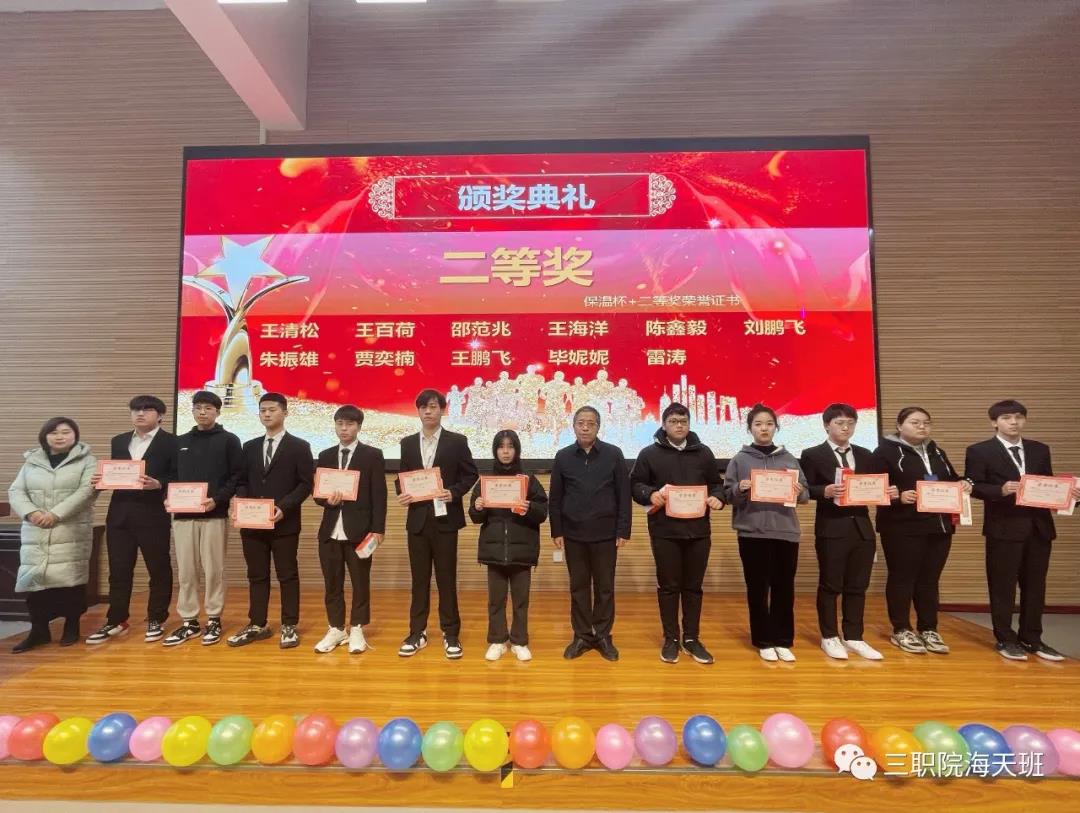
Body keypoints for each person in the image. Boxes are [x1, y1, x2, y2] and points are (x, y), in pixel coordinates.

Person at [964, 399, 1076, 661]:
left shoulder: (1039, 449)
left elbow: (1048, 484)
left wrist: (1071, 495)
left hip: (1039, 528)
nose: (1013, 422)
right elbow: (974, 486)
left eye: (1018, 417)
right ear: (994, 422)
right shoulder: (979, 451)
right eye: (1006, 418)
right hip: (1003, 528)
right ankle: (1005, 638)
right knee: (1002, 586)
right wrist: (1000, 490)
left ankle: (1032, 638)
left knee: (1035, 587)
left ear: (1024, 420)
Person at [630, 402, 724, 665]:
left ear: (689, 424)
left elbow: (716, 484)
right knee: (669, 587)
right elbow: (635, 484)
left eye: (683, 421)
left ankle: (691, 638)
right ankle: (671, 638)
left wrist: (719, 497)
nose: (679, 425)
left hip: (698, 532)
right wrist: (650, 494)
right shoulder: (649, 454)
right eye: (673, 421)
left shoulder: (703, 453)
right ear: (664, 425)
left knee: (693, 587)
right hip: (665, 532)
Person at [872, 406, 971, 655]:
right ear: (899, 426)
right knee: (902, 577)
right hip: (902, 525)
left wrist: (963, 483)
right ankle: (901, 629)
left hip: (939, 525)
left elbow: (951, 478)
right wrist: (898, 497)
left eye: (926, 422)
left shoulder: (936, 451)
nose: (922, 427)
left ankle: (929, 628)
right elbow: (871, 487)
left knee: (929, 579)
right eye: (915, 422)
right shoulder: (884, 452)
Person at [799, 403, 893, 661]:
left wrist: (887, 492)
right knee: (830, 585)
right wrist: (824, 491)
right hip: (831, 527)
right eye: (840, 423)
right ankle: (829, 636)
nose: (845, 428)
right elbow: (804, 488)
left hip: (862, 527)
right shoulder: (812, 454)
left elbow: (873, 485)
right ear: (826, 425)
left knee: (858, 585)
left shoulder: (865, 454)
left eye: (850, 423)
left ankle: (854, 636)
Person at [86, 396, 178, 645]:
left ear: (160, 415)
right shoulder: (119, 440)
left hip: (153, 513)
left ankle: (156, 618)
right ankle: (116, 619)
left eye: (147, 410)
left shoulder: (172, 442)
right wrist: (102, 480)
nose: (140, 414)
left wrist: (159, 484)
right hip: (119, 514)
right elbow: (117, 473)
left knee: (158, 568)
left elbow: (179, 476)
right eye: (136, 410)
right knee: (118, 570)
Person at [396, 389, 478, 659]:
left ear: (442, 410)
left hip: (446, 520)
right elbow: (402, 476)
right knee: (419, 580)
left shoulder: (457, 441)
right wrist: (402, 492)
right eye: (423, 407)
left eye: (433, 406)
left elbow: (470, 475)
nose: (428, 411)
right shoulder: (408, 443)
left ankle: (450, 633)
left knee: (446, 579)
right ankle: (416, 632)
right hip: (418, 521)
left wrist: (453, 493)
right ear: (418, 411)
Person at [227, 393, 313, 649]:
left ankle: (289, 624)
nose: (266, 414)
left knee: (287, 575)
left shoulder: (299, 446)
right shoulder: (249, 446)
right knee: (256, 575)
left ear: (285, 412)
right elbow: (242, 481)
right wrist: (239, 502)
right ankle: (257, 624)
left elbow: (305, 484)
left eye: (272, 409)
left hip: (284, 523)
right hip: (252, 523)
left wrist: (283, 507)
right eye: (263, 410)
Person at [723, 404, 809, 662]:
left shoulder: (788, 458)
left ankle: (783, 640)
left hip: (785, 532)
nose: (764, 428)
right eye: (758, 424)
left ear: (776, 427)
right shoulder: (740, 459)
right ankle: (763, 640)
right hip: (752, 533)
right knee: (757, 589)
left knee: (784, 588)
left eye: (769, 424)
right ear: (749, 428)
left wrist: (798, 491)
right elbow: (727, 495)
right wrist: (740, 488)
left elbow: (805, 495)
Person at [8, 418, 98, 652]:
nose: (60, 436)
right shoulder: (32, 461)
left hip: (70, 528)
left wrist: (56, 514)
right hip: (36, 528)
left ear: (75, 435)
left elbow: (87, 492)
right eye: (54, 432)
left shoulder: (87, 461)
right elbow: (16, 491)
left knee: (71, 581)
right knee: (35, 581)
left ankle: (71, 626)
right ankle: (39, 631)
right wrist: (31, 513)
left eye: (66, 432)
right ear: (44, 436)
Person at [549, 405, 631, 661]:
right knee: (579, 587)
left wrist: (623, 530)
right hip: (573, 535)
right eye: (581, 423)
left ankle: (603, 635)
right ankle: (582, 635)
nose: (585, 427)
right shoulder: (563, 456)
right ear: (573, 426)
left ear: (598, 427)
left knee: (605, 588)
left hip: (606, 534)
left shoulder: (613, 454)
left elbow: (623, 494)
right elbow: (555, 498)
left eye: (591, 423)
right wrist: (557, 530)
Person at [163, 390, 243, 647]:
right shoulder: (180, 442)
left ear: (218, 411)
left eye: (208, 408)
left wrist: (217, 500)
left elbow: (236, 476)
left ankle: (214, 618)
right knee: (186, 570)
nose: (202, 412)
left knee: (213, 569)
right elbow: (171, 476)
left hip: (214, 515)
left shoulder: (229, 440)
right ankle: (189, 621)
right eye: (198, 407)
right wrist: (168, 497)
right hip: (182, 516)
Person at [312, 405, 387, 655]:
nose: (344, 429)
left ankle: (356, 628)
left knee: (360, 582)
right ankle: (336, 628)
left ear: (359, 427)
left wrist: (378, 529)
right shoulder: (325, 455)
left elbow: (379, 495)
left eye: (350, 424)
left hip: (360, 532)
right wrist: (327, 500)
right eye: (340, 424)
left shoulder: (372, 455)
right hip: (330, 531)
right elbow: (317, 494)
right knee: (332, 583)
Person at [468, 430, 548, 662]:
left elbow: (543, 512)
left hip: (522, 551)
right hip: (494, 551)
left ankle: (520, 641)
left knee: (521, 601)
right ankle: (498, 641)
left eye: (510, 446)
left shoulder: (528, 480)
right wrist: (478, 506)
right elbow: (475, 517)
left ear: (517, 450)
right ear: (495, 450)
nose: (505, 451)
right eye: (501, 446)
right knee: (496, 600)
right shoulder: (485, 481)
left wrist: (529, 507)